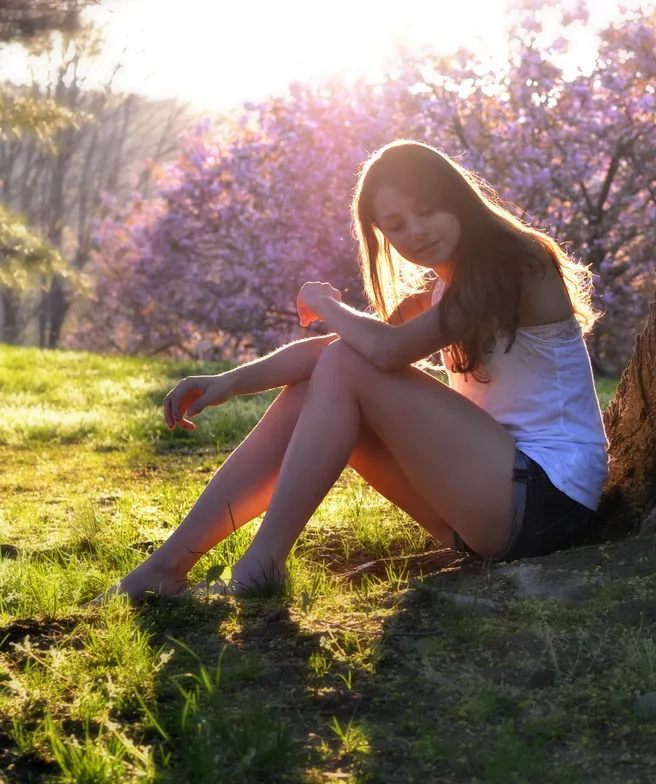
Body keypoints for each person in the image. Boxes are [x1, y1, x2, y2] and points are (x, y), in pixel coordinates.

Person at [102, 140, 608, 599]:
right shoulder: (436, 296)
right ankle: (169, 566)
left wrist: (327, 304)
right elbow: (339, 356)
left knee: (349, 362)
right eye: (396, 225)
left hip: (549, 500)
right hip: (483, 508)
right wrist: (228, 382)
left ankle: (262, 564)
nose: (416, 232)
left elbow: (380, 353)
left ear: (458, 199)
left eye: (427, 211)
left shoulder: (518, 262)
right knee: (333, 372)